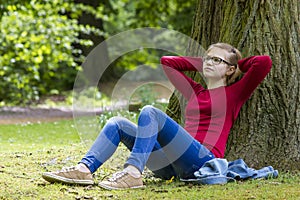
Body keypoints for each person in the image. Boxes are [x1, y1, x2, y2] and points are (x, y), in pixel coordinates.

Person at [42, 43, 272, 190]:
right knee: (117, 123)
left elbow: (264, 63)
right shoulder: (195, 91)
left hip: (202, 160)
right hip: (169, 164)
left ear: (231, 70)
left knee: (150, 112)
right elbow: (167, 63)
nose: (209, 62)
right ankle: (84, 170)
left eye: (217, 60)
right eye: (207, 58)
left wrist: (234, 63)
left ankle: (133, 172)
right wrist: (206, 63)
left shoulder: (235, 93)